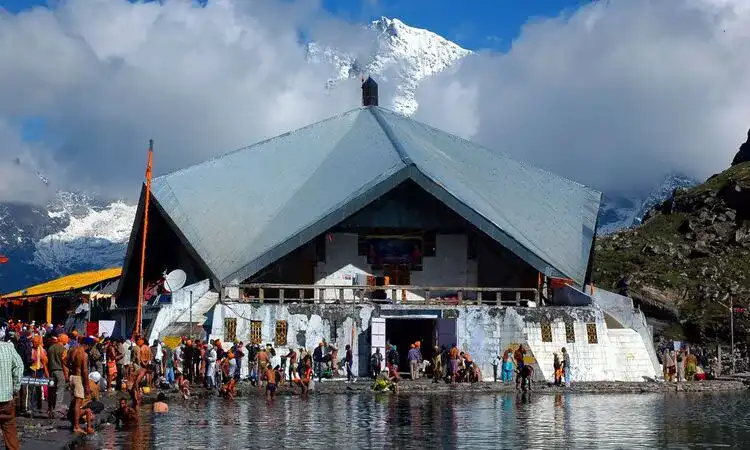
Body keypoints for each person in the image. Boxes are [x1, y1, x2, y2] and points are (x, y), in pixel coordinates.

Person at [0, 337, 24, 450]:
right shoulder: (8, 347)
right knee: (10, 431)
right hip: (6, 398)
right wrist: (15, 388)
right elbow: (19, 366)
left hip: (7, 398)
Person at [68, 337, 92, 434]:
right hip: (78, 378)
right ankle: (76, 426)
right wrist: (87, 385)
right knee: (78, 402)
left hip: (72, 377)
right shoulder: (84, 354)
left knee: (74, 402)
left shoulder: (73, 350)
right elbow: (85, 371)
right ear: (88, 345)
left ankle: (73, 423)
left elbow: (66, 362)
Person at [47, 335, 68, 417]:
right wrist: (66, 374)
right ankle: (57, 410)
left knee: (51, 390)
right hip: (60, 372)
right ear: (64, 340)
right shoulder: (63, 349)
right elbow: (64, 363)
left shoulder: (51, 348)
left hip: (51, 371)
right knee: (59, 391)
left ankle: (50, 409)